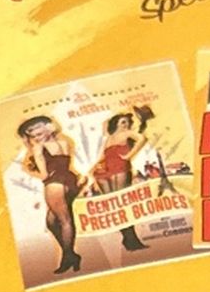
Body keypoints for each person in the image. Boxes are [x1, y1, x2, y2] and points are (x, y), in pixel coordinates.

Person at [15, 113, 86, 274]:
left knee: (64, 221)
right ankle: (71, 254)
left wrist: (44, 176)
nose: (34, 134)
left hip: (55, 184)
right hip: (70, 180)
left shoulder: (38, 148)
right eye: (31, 133)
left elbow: (44, 174)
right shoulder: (65, 142)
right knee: (52, 222)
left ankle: (67, 257)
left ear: (48, 126)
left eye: (36, 128)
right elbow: (65, 163)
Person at [89, 104, 155, 252]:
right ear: (116, 124)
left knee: (123, 204)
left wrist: (129, 156)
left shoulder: (127, 134)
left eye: (127, 122)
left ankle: (131, 239)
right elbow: (102, 156)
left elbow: (142, 138)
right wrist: (92, 170)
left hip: (120, 167)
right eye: (122, 122)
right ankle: (128, 239)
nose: (126, 124)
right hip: (104, 171)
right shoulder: (108, 138)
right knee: (114, 207)